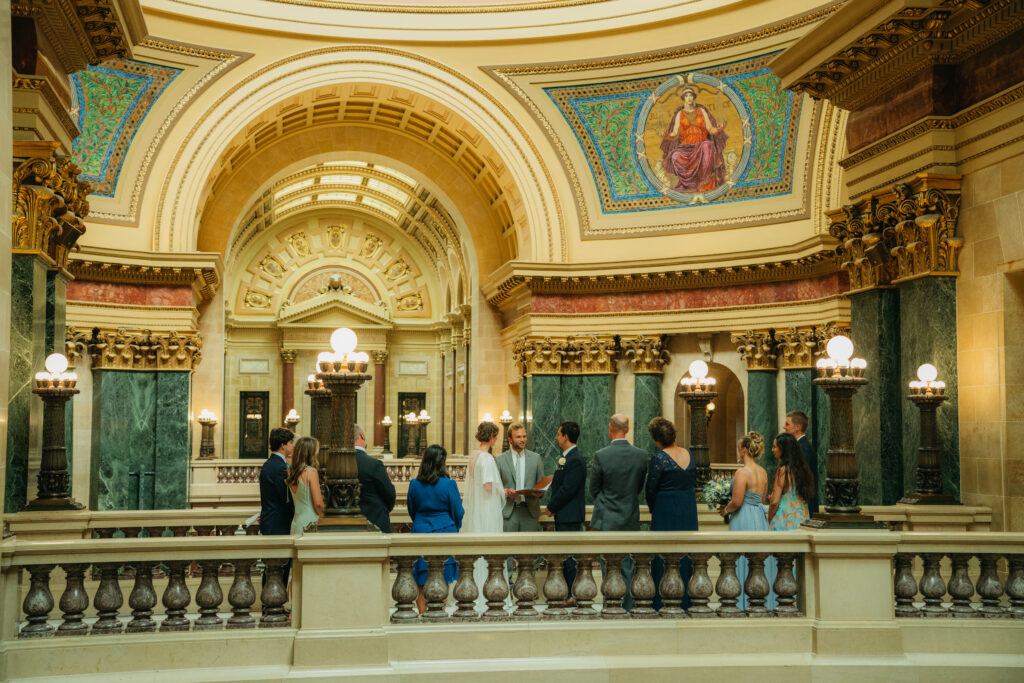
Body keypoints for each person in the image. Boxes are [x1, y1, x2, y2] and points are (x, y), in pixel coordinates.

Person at [590, 414, 648, 610]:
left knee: (609, 565)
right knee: (628, 564)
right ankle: (628, 606)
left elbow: (594, 488)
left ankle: (612, 605)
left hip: (607, 517)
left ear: (610, 429)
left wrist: (606, 501)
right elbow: (638, 487)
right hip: (630, 515)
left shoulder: (601, 455)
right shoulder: (640, 455)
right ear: (628, 428)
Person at [645, 417, 698, 610]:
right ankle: (686, 599)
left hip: (666, 509)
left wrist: (654, 509)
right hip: (688, 508)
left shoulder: (659, 458)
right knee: (686, 553)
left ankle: (663, 599)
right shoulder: (689, 454)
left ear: (656, 439)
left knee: (664, 553)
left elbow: (650, 489)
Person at [719, 431, 776, 609]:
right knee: (759, 560)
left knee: (741, 558)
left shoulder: (742, 472)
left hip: (743, 517)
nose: (738, 452)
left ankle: (743, 603)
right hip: (759, 518)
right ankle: (761, 601)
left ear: (744, 450)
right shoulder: (763, 472)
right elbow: (763, 500)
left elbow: (737, 501)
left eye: (739, 449)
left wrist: (725, 510)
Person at [408, 444, 464, 613]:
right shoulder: (449, 484)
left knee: (420, 575)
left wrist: (421, 523)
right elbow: (458, 512)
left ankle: (423, 614)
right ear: (442, 463)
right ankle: (440, 613)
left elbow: (412, 510)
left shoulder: (414, 484)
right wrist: (453, 526)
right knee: (443, 574)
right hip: (445, 530)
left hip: (420, 530)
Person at [659, 86, 728, 194]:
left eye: (691, 95)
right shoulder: (680, 114)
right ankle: (688, 184)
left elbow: (710, 129)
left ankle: (704, 181)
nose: (689, 98)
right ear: (684, 98)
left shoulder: (701, 111)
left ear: (693, 97)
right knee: (675, 156)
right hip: (686, 148)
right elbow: (675, 134)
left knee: (707, 145)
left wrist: (719, 128)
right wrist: (666, 136)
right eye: (686, 96)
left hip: (701, 144)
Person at [546, 421, 586, 592]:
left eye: (558, 434)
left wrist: (552, 506)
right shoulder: (567, 457)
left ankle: (571, 593)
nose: (556, 437)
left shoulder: (575, 459)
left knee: (568, 557)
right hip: (564, 514)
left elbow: (568, 489)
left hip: (569, 515)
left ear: (566, 437)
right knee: (564, 555)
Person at [260, 427, 295, 588]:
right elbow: (285, 497)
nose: (293, 446)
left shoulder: (268, 464)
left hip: (270, 521)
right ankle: (275, 603)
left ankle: (271, 603)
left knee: (271, 568)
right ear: (283, 445)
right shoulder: (280, 468)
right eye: (290, 443)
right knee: (279, 568)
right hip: (279, 523)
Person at [497, 423, 545, 532]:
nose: (522, 440)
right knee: (508, 547)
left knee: (529, 548)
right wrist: (505, 491)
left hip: (530, 511)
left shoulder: (536, 458)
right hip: (509, 511)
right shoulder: (500, 460)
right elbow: (495, 487)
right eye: (518, 437)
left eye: (524, 436)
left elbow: (541, 484)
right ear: (510, 439)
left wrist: (540, 492)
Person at [768, 432, 815, 530]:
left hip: (784, 519)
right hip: (802, 519)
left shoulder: (783, 470)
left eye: (774, 447)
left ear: (783, 449)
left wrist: (768, 520)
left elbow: (774, 502)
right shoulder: (803, 469)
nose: (772, 450)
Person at [354, 425, 397, 532]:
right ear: (361, 436)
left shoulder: (337, 464)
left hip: (346, 526)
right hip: (375, 522)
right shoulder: (374, 464)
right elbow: (389, 494)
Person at [286, 436, 324, 535]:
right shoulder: (311, 471)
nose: (318, 453)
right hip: (310, 522)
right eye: (316, 450)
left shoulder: (292, 472)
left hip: (296, 522)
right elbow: (318, 503)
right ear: (310, 452)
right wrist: (323, 517)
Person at [783, 410, 819, 515]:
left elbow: (801, 477)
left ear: (798, 427)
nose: (784, 427)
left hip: (803, 504)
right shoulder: (800, 446)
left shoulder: (803, 448)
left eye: (787, 424)